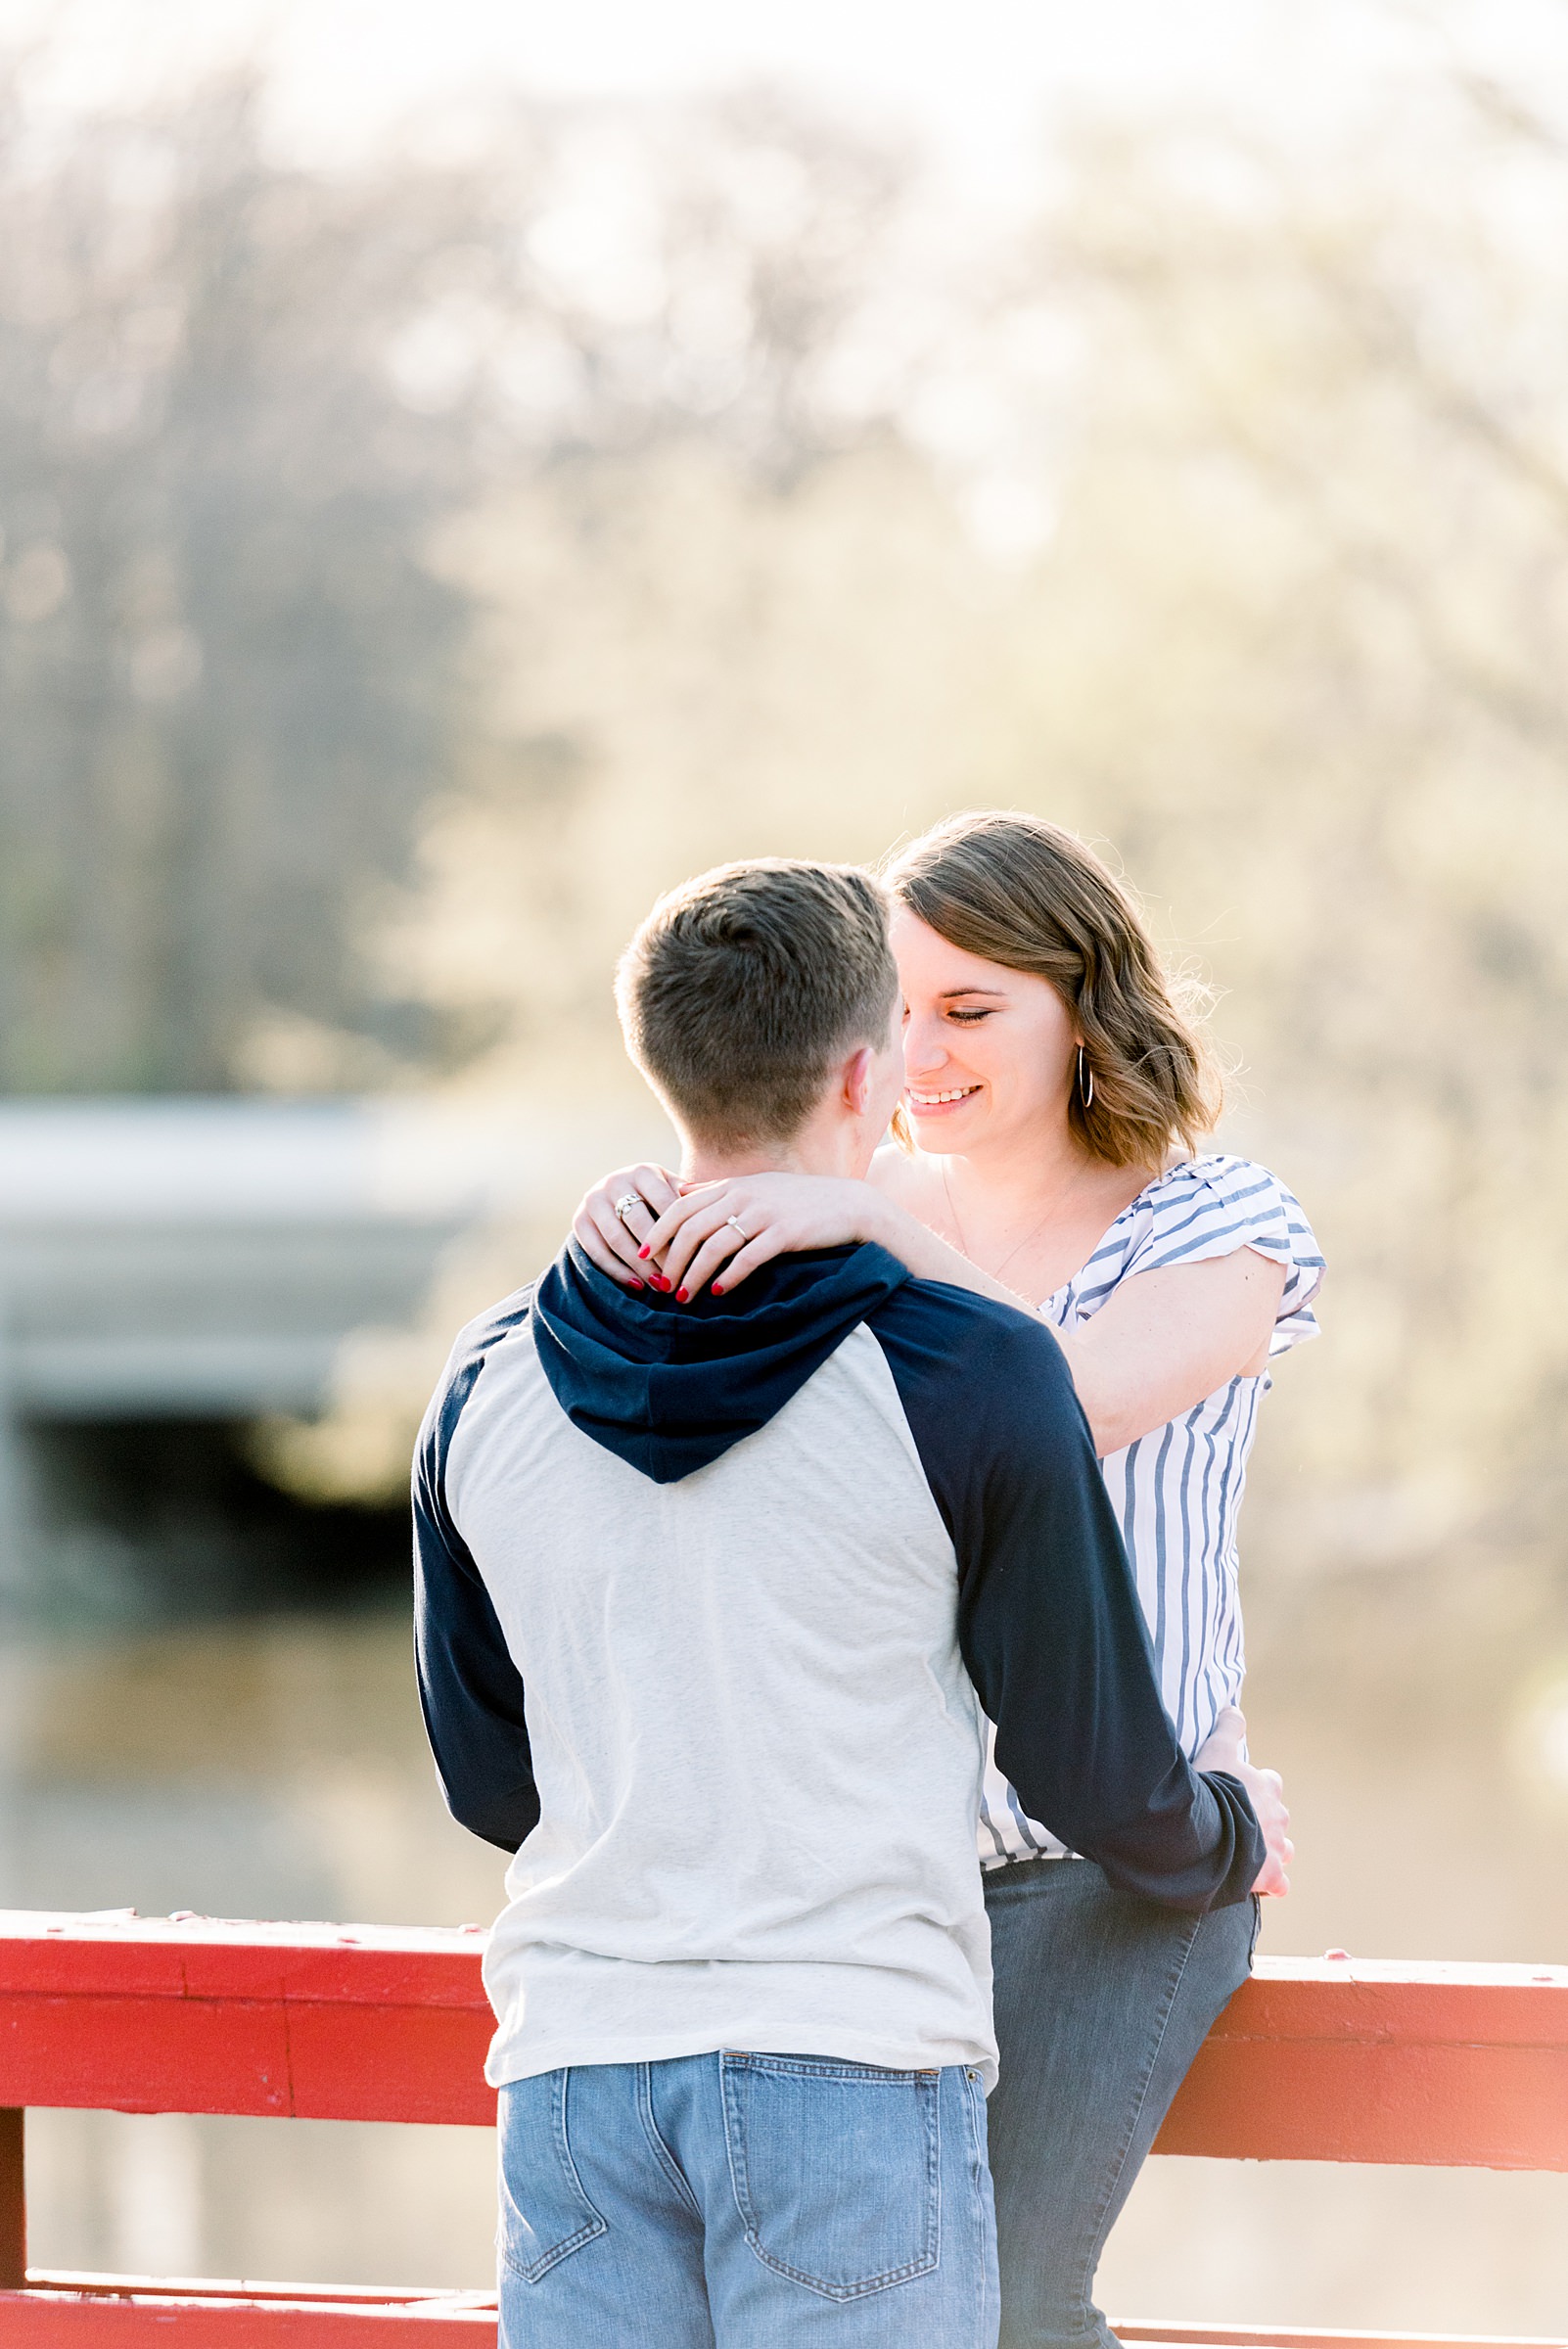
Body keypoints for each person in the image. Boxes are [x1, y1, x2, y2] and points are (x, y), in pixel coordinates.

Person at [415, 855, 1285, 2349]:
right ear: (863, 1065)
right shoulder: (952, 1370)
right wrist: (1232, 1826)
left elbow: (497, 1784)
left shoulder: (486, 1374)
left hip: (571, 2064)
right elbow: (1083, 1756)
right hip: (849, 2047)